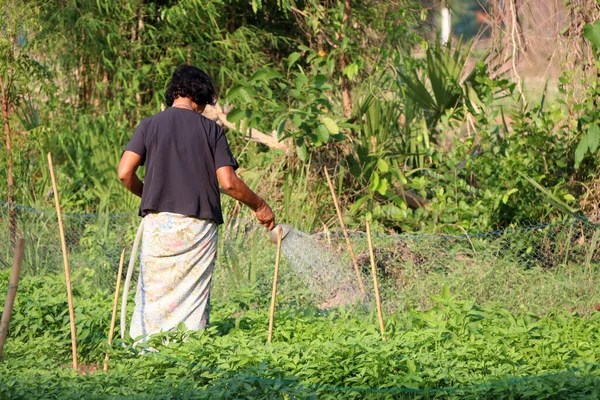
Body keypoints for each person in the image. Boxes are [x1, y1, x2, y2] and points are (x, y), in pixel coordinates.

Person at [117, 65, 275, 340]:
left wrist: (152, 194)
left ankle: (147, 350)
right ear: (199, 96)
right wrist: (260, 206)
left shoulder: (149, 124)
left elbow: (124, 172)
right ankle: (186, 352)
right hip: (198, 226)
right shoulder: (210, 130)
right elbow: (228, 182)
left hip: (158, 223)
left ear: (174, 93)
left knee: (154, 289)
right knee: (191, 294)